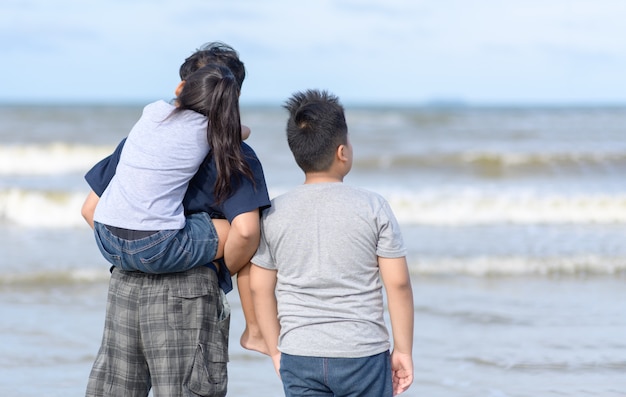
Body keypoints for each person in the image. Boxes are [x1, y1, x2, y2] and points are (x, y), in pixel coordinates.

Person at [81, 42, 271, 397]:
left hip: (124, 283)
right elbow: (245, 231)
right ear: (232, 100)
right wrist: (217, 272)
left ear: (182, 86)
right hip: (187, 291)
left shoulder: (142, 136)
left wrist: (134, 254)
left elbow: (91, 209)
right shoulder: (233, 152)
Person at [249, 89, 414, 396]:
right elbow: (399, 285)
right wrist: (403, 351)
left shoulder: (273, 212)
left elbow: (260, 287)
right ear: (342, 152)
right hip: (362, 352)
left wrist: (275, 350)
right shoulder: (373, 207)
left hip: (299, 352)